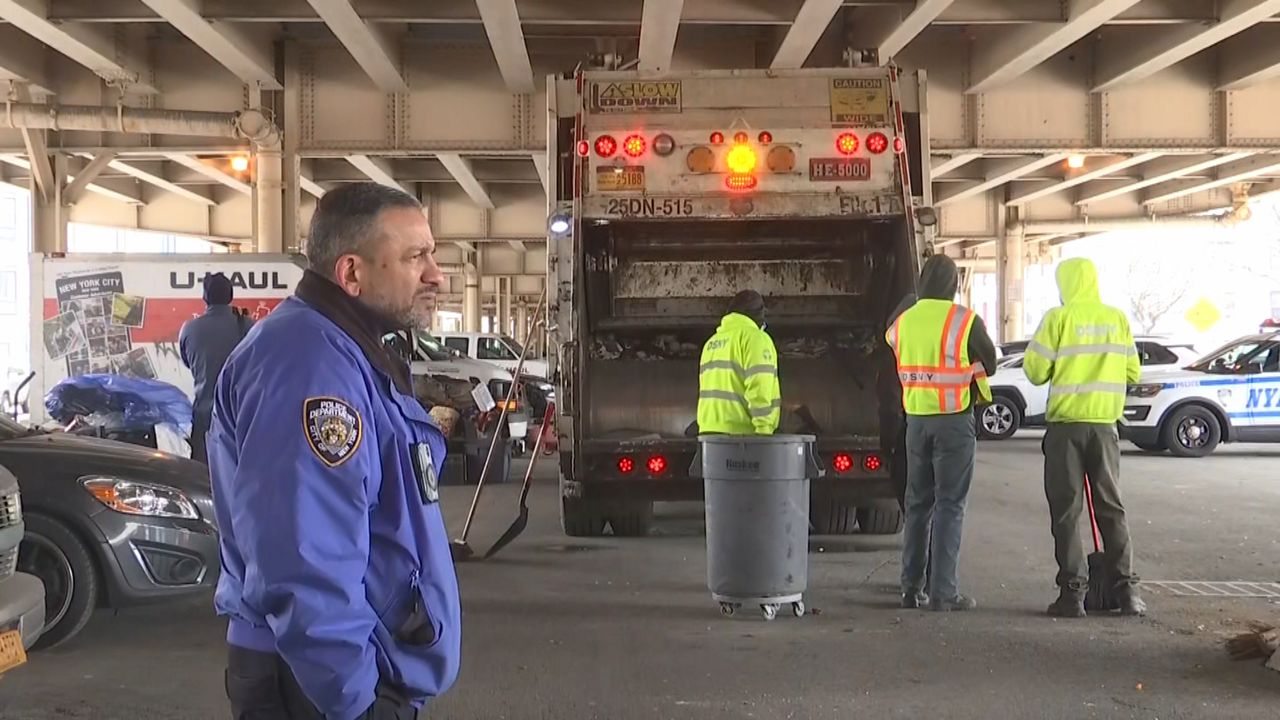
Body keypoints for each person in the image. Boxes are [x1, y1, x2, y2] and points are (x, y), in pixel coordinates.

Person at [208, 182, 461, 719]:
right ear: (352, 274)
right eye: (416, 257)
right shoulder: (308, 365)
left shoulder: (344, 349)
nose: (436, 274)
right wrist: (355, 700)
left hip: (332, 675)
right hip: (317, 685)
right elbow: (303, 558)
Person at [1023, 257, 1145, 618]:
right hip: (1105, 428)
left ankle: (1073, 595)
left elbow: (1033, 371)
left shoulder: (1058, 319)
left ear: (1065, 285)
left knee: (1066, 512)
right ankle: (1128, 594)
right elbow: (1133, 372)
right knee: (1111, 508)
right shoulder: (1116, 319)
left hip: (1067, 430)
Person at [886, 256, 996, 611]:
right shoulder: (964, 320)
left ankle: (909, 589)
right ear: (953, 284)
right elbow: (990, 362)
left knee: (917, 505)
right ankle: (943, 593)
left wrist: (910, 300)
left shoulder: (904, 321)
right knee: (950, 505)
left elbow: (888, 334)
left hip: (915, 421)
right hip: (953, 422)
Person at [179, 272, 251, 464]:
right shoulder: (249, 327)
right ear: (230, 296)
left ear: (205, 297)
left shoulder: (190, 329)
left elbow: (188, 362)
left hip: (205, 418)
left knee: (202, 476)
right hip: (241, 418)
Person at [696, 290, 782, 435]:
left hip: (709, 436)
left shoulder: (712, 342)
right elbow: (759, 387)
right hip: (741, 438)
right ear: (758, 314)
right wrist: (764, 431)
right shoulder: (756, 338)